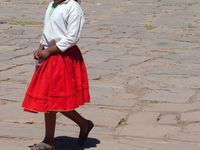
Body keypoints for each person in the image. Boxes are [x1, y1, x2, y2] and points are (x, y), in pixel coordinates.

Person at [22, 0, 93, 149]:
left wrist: (49, 51)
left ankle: (52, 139)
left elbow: (72, 37)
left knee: (56, 97)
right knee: (49, 97)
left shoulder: (73, 7)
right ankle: (52, 139)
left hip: (63, 56)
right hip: (49, 55)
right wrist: (41, 47)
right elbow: (47, 30)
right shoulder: (52, 5)